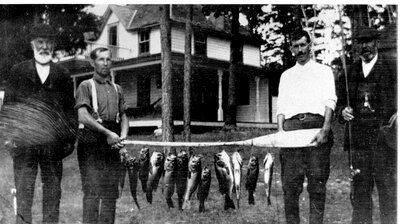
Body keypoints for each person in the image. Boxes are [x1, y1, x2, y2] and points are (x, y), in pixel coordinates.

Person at [5, 23, 75, 224]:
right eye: (40, 42)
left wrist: (69, 141)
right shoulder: (18, 71)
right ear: (32, 44)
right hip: (24, 144)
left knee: (53, 194)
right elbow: (9, 106)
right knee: (24, 194)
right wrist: (10, 138)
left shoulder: (62, 74)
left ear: (53, 45)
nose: (44, 46)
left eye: (48, 42)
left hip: (53, 145)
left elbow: (70, 110)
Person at [276, 29, 337, 224]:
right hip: (292, 130)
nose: (300, 50)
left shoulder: (323, 71)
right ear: (291, 48)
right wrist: (280, 133)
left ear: (310, 45)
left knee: (317, 184)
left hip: (316, 129)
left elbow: (330, 101)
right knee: (290, 186)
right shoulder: (286, 75)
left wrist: (325, 130)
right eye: (295, 46)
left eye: (303, 45)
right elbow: (281, 108)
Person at [337, 27, 397, 224]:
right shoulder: (349, 72)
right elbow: (339, 102)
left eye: (368, 41)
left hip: (385, 143)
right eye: (361, 42)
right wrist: (342, 111)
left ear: (376, 42)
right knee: (360, 196)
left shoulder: (392, 67)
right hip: (359, 143)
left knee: (388, 193)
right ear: (356, 46)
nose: (365, 46)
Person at [75, 47, 129, 224]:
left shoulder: (117, 88)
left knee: (110, 192)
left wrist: (122, 137)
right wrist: (107, 133)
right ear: (92, 63)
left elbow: (124, 117)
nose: (105, 63)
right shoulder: (85, 86)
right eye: (101, 59)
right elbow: (83, 116)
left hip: (112, 139)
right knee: (92, 191)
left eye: (108, 59)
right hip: (91, 140)